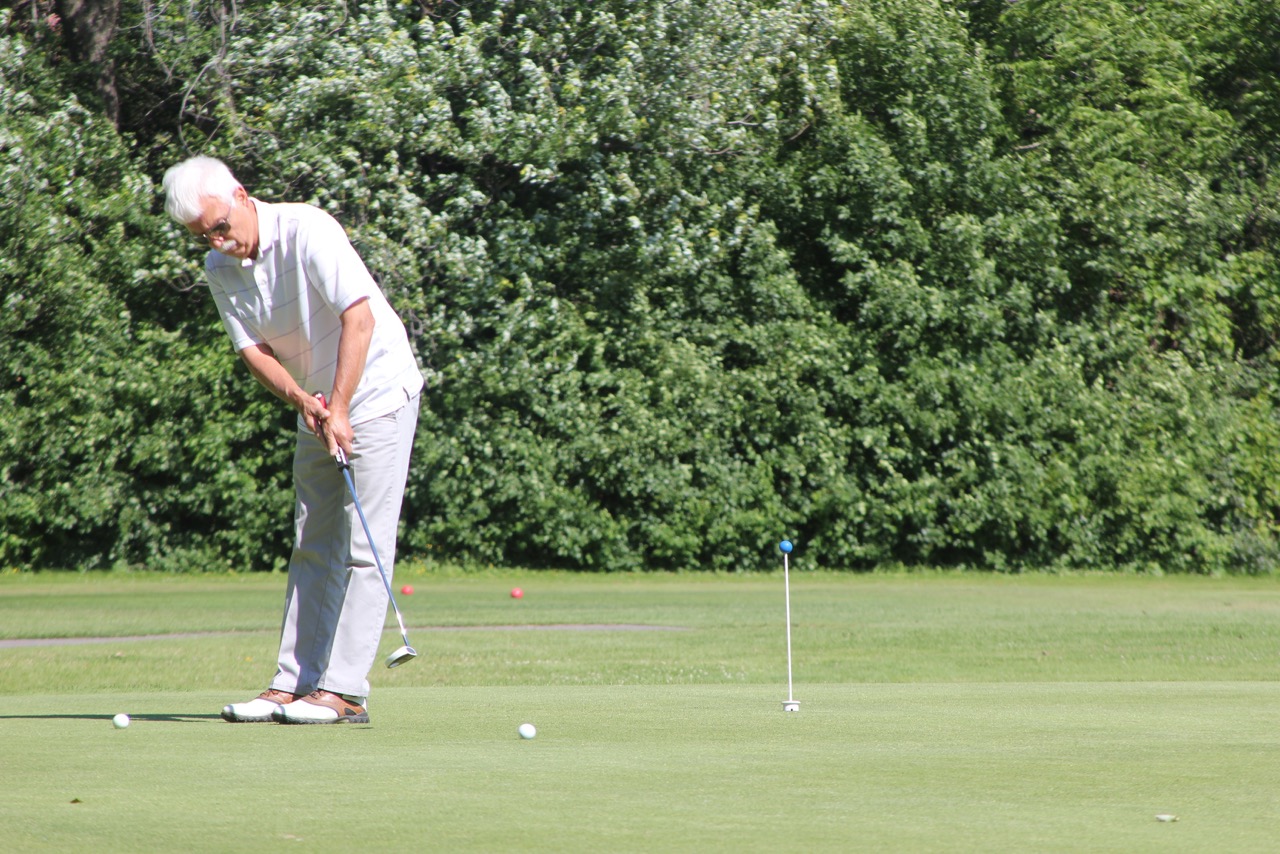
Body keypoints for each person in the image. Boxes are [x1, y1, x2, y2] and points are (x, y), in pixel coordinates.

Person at [162, 156, 424, 724]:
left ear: (241, 195)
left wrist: (342, 407)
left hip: (378, 392)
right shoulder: (219, 266)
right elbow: (252, 351)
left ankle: (344, 691)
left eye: (219, 226)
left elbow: (359, 318)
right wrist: (306, 402)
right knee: (312, 541)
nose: (216, 241)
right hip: (319, 404)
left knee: (362, 546)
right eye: (202, 236)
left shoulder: (308, 229)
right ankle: (294, 682)